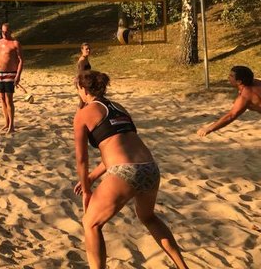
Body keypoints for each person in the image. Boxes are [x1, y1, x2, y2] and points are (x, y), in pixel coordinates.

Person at [73, 70, 189, 269]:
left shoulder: (83, 114)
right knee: (149, 217)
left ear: (83, 89)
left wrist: (86, 191)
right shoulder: (119, 107)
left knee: (91, 223)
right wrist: (92, 177)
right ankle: (182, 267)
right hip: (150, 168)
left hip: (124, 172)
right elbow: (121, 147)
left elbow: (82, 159)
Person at [198, 65, 261, 181]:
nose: (228, 77)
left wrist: (209, 128)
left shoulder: (246, 95)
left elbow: (231, 116)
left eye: (231, 76)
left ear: (239, 81)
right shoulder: (252, 84)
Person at [0, 23, 23, 134]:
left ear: (10, 31)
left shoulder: (15, 43)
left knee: (9, 99)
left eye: (6, 31)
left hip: (10, 73)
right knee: (2, 99)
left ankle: (12, 125)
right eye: (2, 31)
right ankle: (6, 123)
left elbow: (21, 60)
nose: (4, 33)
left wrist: (18, 75)